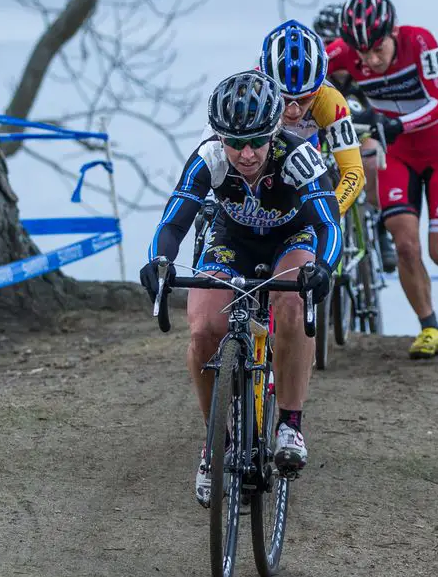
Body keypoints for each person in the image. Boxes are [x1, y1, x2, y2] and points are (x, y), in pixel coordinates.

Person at [139, 70, 341, 505]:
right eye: (235, 142)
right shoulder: (208, 156)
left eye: (256, 142)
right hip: (231, 241)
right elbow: (173, 221)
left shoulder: (298, 156)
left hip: (293, 239)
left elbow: (328, 223)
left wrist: (322, 268)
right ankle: (220, 443)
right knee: (203, 331)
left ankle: (290, 422)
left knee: (292, 305)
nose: (246, 154)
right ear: (220, 136)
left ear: (273, 133)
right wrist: (159, 263)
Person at [325, 0, 438, 359]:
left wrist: (395, 124)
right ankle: (429, 327)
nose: (372, 60)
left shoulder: (420, 42)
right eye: (364, 53)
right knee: (406, 245)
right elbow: (307, 73)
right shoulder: (345, 54)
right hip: (398, 157)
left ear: (392, 32)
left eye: (379, 49)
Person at [314, 3, 398, 272]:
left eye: (336, 42)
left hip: (359, 136)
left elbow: (382, 109)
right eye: (326, 42)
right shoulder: (315, 75)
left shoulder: (365, 69)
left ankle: (378, 222)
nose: (332, 49)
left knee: (372, 155)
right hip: (325, 137)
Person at [259, 19, 365, 217]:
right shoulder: (251, 91)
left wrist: (330, 214)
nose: (293, 111)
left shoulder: (330, 100)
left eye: (305, 99)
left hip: (308, 154)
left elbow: (353, 172)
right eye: (285, 99)